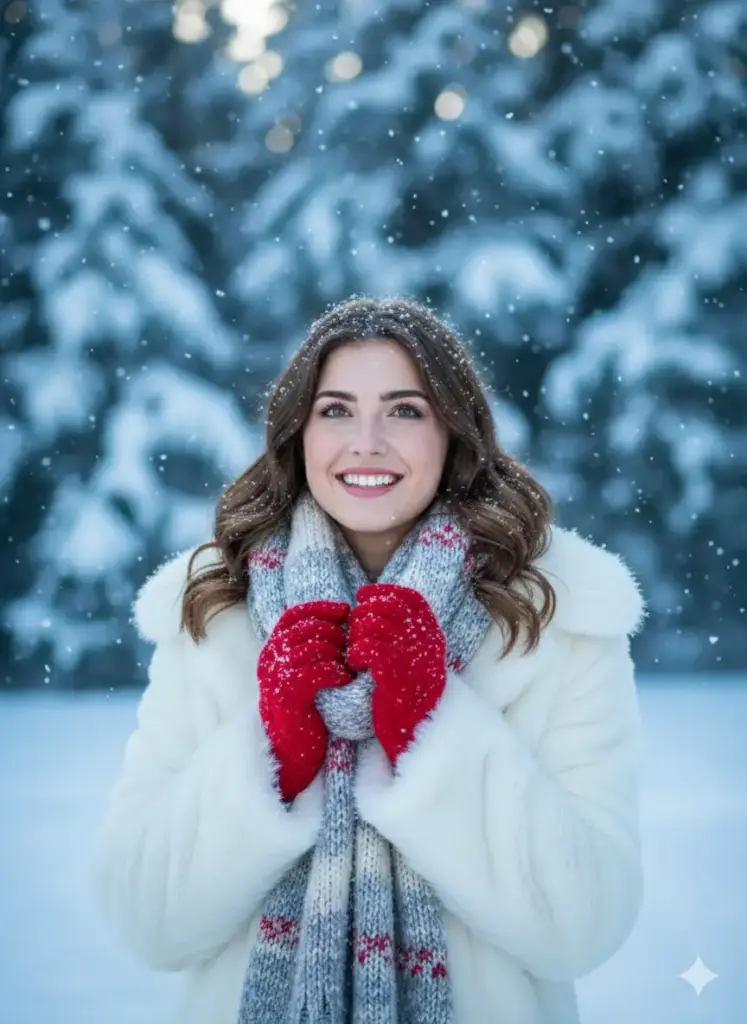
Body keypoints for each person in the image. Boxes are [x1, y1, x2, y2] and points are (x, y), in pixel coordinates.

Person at [91, 296, 646, 1024]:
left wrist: (431, 729)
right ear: (297, 432)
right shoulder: (214, 613)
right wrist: (272, 757)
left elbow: (584, 925)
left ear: (454, 431)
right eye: (336, 410)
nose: (367, 441)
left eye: (405, 410)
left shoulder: (557, 618)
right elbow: (145, 918)